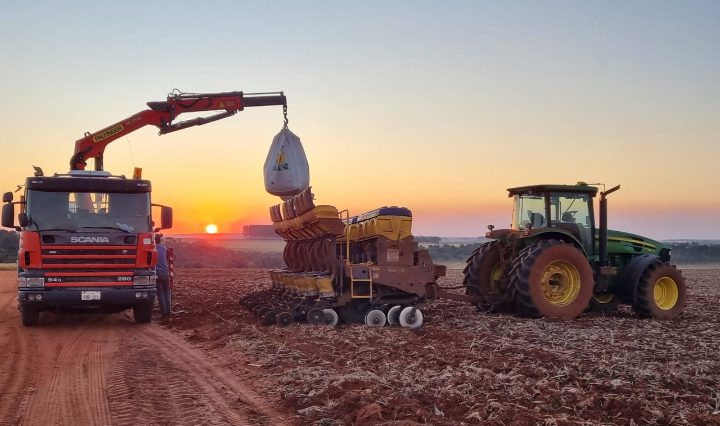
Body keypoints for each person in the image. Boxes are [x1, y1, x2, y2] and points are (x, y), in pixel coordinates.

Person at [155, 234, 171, 316]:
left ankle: (164, 312)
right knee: (166, 293)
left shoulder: (153, 249)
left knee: (160, 293)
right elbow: (170, 257)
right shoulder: (164, 248)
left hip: (158, 274)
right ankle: (169, 311)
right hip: (165, 273)